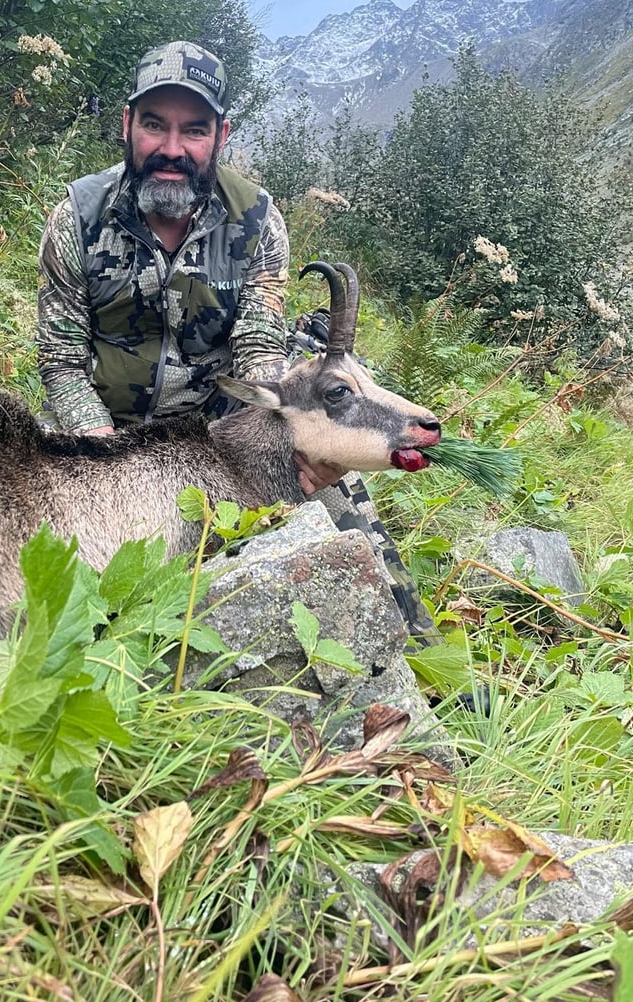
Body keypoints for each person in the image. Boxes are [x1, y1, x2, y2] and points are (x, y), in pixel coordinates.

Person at [37, 40, 438, 642]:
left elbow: (259, 347)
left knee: (343, 507)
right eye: (154, 125)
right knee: (63, 551)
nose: (171, 149)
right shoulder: (78, 219)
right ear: (127, 125)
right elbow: (62, 362)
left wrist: (292, 445)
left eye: (193, 130)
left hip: (224, 427)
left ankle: (415, 645)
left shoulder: (256, 222)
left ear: (219, 135)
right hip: (103, 427)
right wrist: (106, 457)